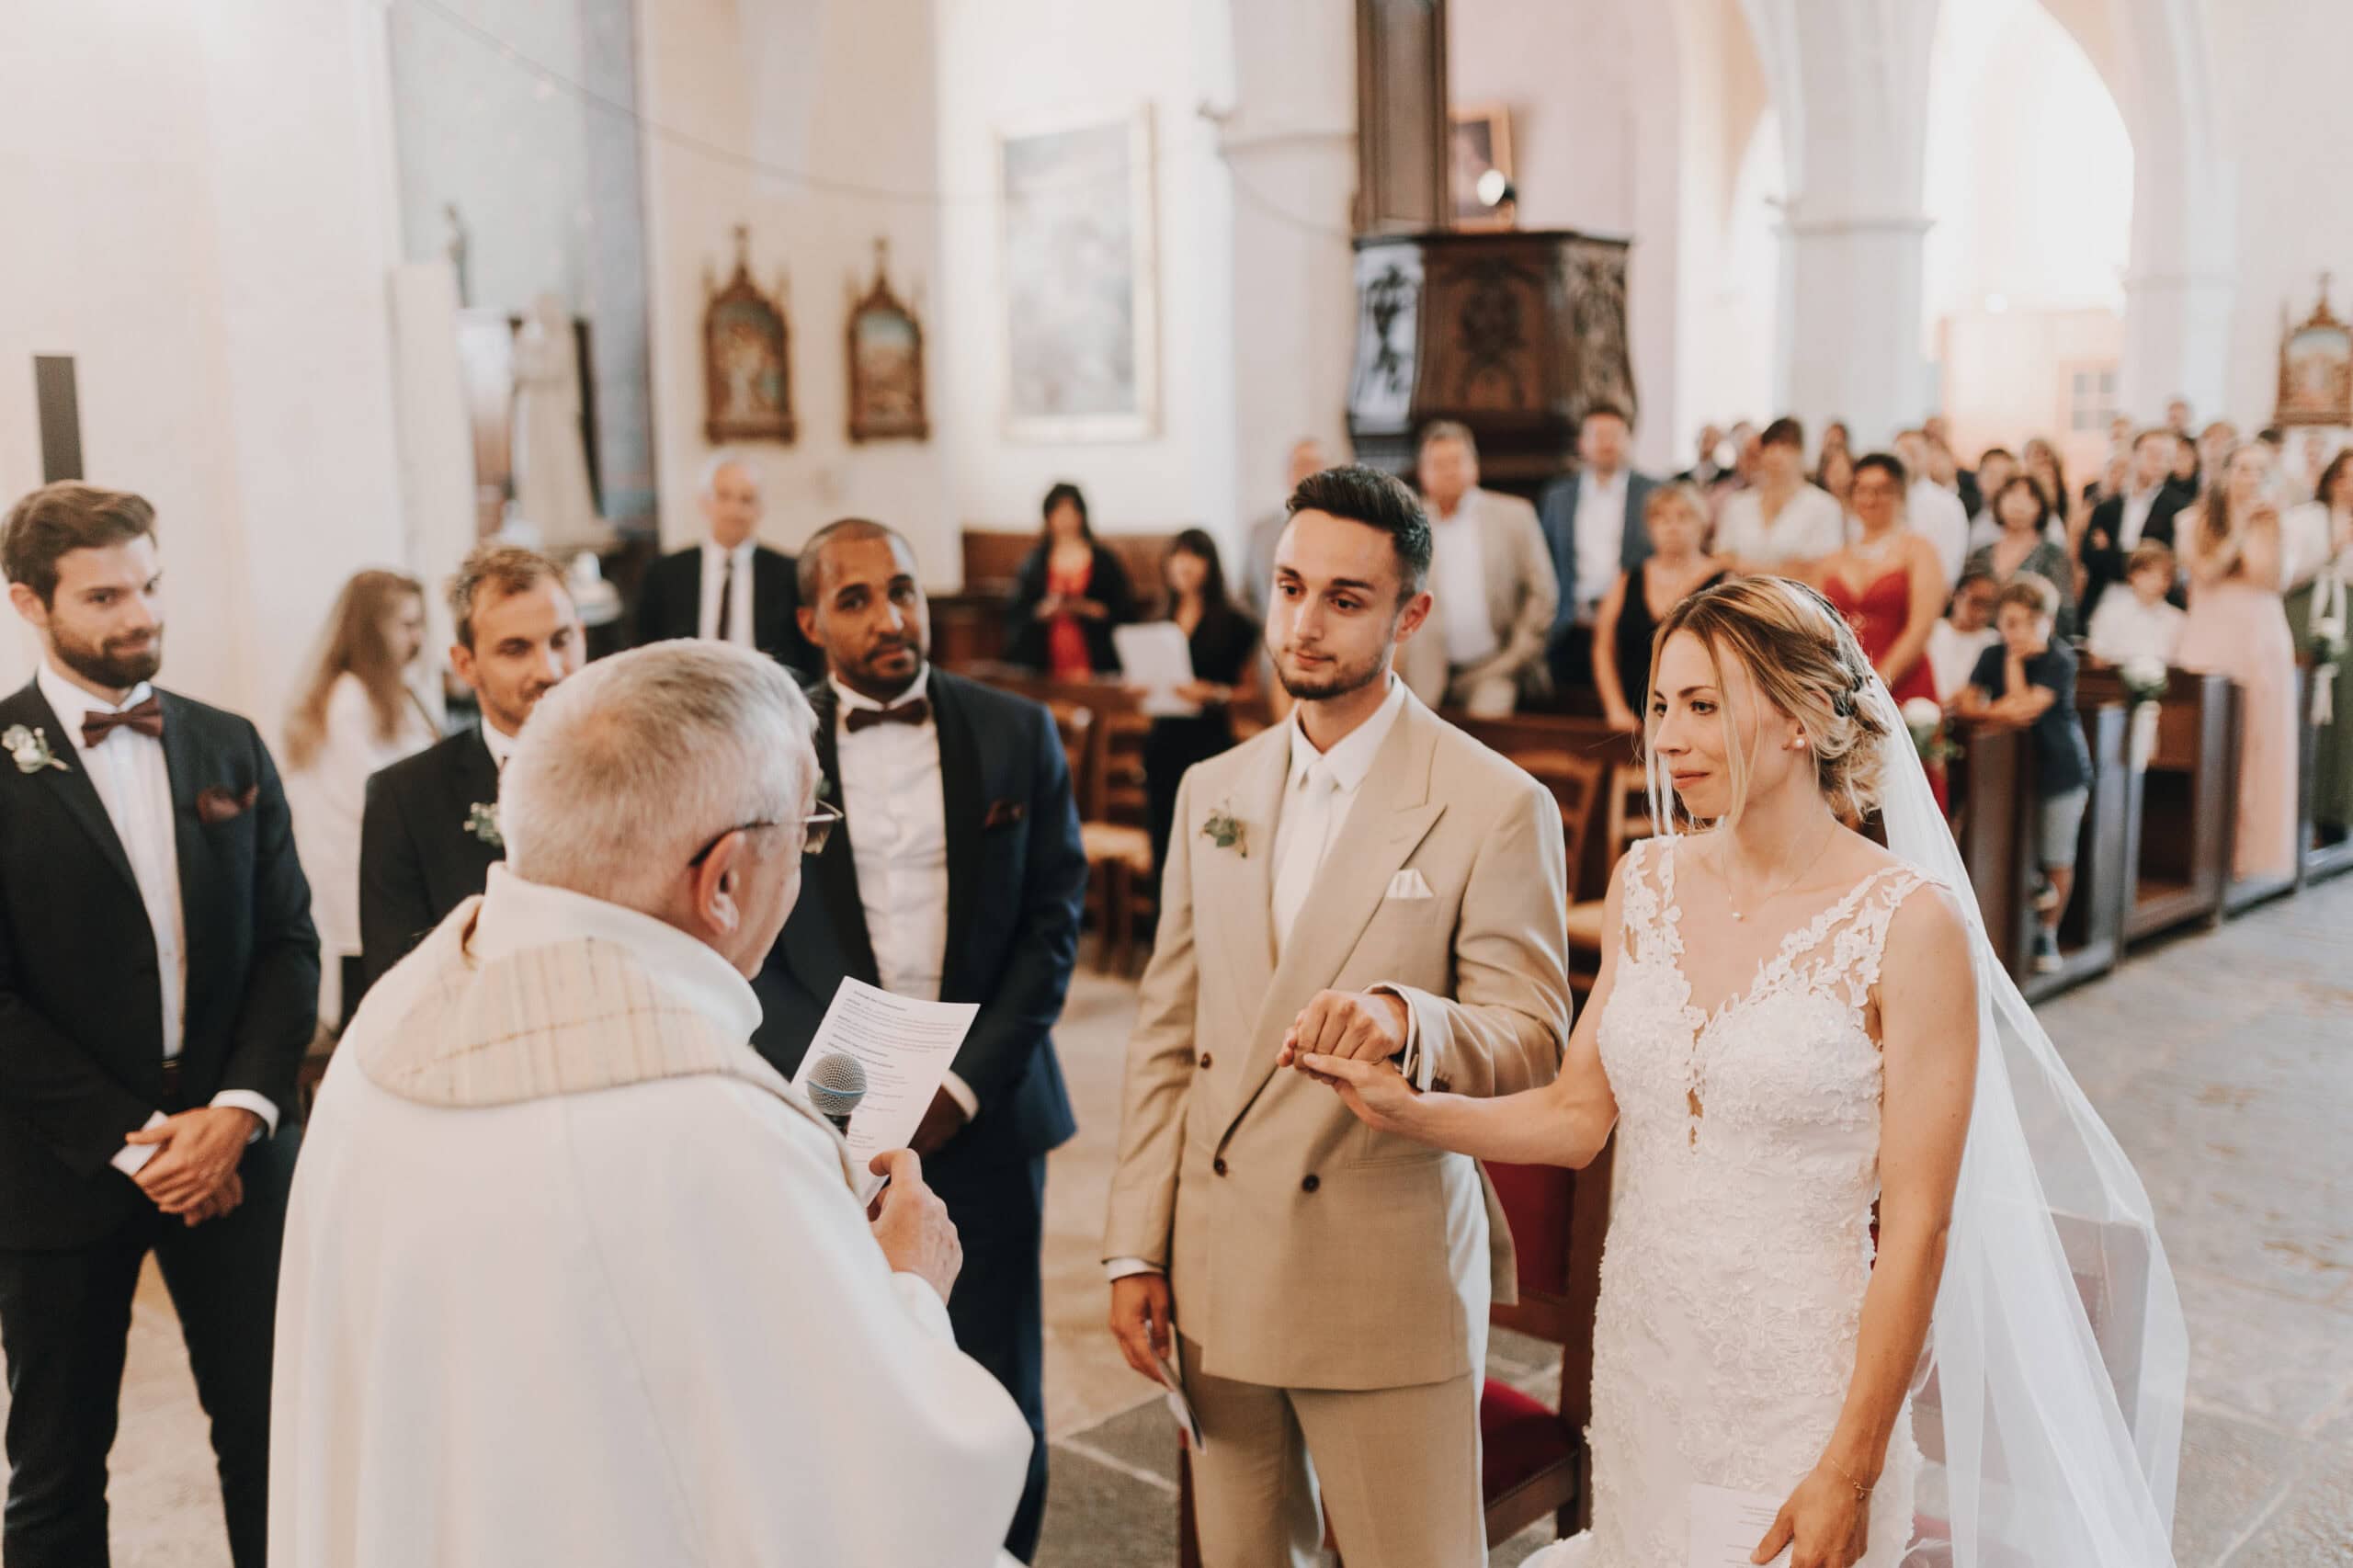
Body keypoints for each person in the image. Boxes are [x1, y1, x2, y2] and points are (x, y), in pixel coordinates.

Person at [1294, 575, 2184, 1568]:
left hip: (1798, 1397)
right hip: (1646, 1365)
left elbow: (1919, 1230)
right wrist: (1408, 1110)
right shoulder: (1645, 882)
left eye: (1703, 706)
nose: (1667, 739)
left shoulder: (1908, 924)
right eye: (1660, 706)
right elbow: (1577, 1116)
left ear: (1801, 717)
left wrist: (1849, 1468)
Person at [271, 642, 1033, 1568]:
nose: (802, 867)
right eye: (806, 835)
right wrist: (906, 1287)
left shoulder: (387, 1024)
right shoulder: (712, 1132)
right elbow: (886, 1498)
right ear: (723, 882)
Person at [1104, 464, 1571, 1567]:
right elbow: (1168, 1034)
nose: (1304, 624)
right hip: (1217, 1262)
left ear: (1409, 614)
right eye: (1289, 587)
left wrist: (1410, 1017)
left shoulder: (1494, 802)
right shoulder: (1211, 790)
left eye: (1345, 599)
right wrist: (1133, 1246)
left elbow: (1532, 1035)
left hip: (1380, 1273)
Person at [753, 520, 1086, 1562]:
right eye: (855, 599)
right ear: (811, 621)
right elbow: (749, 935)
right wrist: (847, 1093)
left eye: (902, 590)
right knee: (841, 1370)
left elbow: (1050, 923)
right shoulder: (768, 745)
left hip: (986, 1114)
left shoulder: (1015, 731)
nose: (890, 616)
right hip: (825, 1120)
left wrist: (962, 1088)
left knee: (997, 1374)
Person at [0, 483, 319, 1568]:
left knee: (275, 1442)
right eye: (105, 596)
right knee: (56, 1465)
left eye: (148, 585)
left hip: (236, 1147)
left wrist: (237, 1111)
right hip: (60, 1163)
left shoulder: (228, 743)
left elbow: (289, 943)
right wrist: (140, 1142)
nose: (140, 614)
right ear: (29, 603)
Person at [356, 545, 583, 1000]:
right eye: (515, 650)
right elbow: (398, 983)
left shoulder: (643, 769)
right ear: (466, 664)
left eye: (560, 640)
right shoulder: (405, 799)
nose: (549, 670)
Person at [282, 571, 438, 1030]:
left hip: (379, 867)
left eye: (419, 624)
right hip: (357, 872)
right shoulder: (349, 698)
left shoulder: (391, 693)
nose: (417, 638)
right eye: (406, 625)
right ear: (373, 631)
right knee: (371, 1002)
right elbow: (369, 794)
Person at [1957, 574, 2094, 974]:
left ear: (2046, 621)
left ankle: (2047, 933)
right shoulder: (1990, 654)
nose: (2014, 632)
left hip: (2059, 770)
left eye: (2026, 623)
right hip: (2006, 773)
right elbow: (1966, 705)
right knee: (2012, 847)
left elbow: (2023, 710)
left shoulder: (2059, 660)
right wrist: (1992, 711)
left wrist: (2014, 667)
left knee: (2056, 855)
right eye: (2009, 622)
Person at [2177, 443, 2299, 881]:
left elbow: (2273, 581)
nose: (2250, 478)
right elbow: (2206, 572)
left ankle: (2251, 854)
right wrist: (2240, 525)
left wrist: (2273, 527)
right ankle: (2204, 851)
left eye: (2260, 471)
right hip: (2212, 632)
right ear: (2226, 473)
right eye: (2243, 468)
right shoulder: (2192, 520)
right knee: (2208, 740)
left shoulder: (2278, 522)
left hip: (2261, 636)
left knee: (2259, 743)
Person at [1397, 421, 1558, 715]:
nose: (1448, 471)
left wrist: (1516, 656)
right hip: (1427, 669)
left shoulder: (1514, 515)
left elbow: (1543, 593)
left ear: (1474, 466)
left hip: (1496, 666)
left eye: (1456, 461)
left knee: (1486, 733)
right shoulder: (1407, 524)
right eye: (1438, 464)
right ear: (1423, 472)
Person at [1140, 530, 1263, 886]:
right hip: (1163, 742)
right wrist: (1143, 687)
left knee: (1213, 843)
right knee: (1164, 841)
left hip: (1209, 744)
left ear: (1210, 565)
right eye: (1177, 555)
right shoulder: (1158, 619)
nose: (1184, 565)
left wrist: (1213, 693)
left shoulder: (1236, 622)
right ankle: (1164, 916)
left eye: (1194, 556)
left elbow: (1252, 693)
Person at [633, 449, 821, 678]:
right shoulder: (664, 573)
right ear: (704, 502)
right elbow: (644, 654)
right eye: (723, 496)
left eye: (746, 499)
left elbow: (809, 659)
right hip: (687, 689)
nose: (734, 510)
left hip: (764, 690)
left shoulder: (789, 573)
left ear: (760, 509)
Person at [1811, 454, 1948, 707]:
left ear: (1900, 494)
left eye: (1881, 490)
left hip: (1904, 684)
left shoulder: (1919, 551)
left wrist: (1874, 687)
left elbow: (1920, 629)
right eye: (1861, 490)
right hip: (1843, 689)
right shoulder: (1831, 561)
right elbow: (1818, 631)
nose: (1870, 499)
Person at [1538, 403, 1656, 691]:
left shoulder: (1653, 492)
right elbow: (1545, 560)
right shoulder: (1558, 496)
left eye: (1614, 434)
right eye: (1598, 435)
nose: (1607, 443)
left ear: (1628, 439)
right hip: (1572, 625)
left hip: (1632, 631)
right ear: (1582, 442)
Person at [1591, 483, 1727, 733]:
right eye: (1661, 518)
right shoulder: (1627, 580)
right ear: (1649, 527)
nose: (1672, 526)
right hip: (1632, 716)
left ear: (1702, 523)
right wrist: (1615, 708)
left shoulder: (1724, 581)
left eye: (1683, 516)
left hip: (1699, 717)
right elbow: (1603, 647)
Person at [2284, 450, 2353, 843]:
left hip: (2348, 617)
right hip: (2306, 611)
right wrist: (2333, 549)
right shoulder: (2304, 518)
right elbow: (2287, 573)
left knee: (2344, 717)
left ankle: (2338, 811)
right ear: (2332, 479)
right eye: (2346, 476)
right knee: (2305, 706)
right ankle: (2299, 811)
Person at [1006, 482, 1137, 678]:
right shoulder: (1034, 563)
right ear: (1048, 517)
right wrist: (1043, 611)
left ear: (1082, 515)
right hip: (1045, 660)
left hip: (1096, 657)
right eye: (1058, 512)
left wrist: (1087, 608)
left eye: (1071, 512)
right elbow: (1018, 613)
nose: (1065, 520)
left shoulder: (1104, 561)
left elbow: (1124, 611)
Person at [2082, 428, 2191, 620]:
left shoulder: (2180, 509)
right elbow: (2090, 557)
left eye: (2166, 455)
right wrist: (2139, 561)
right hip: (2105, 597)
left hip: (2155, 606)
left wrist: (2112, 553)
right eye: (2151, 453)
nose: (2158, 461)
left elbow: (2167, 563)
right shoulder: (2107, 507)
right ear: (2134, 455)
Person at [1715, 417, 1847, 574]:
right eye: (1770, 447)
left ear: (1801, 453)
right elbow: (1722, 557)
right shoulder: (1738, 503)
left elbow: (1820, 568)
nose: (1776, 455)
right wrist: (1783, 569)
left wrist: (1745, 567)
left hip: (1795, 590)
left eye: (1786, 447)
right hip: (1740, 588)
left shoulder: (1825, 506)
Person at [1966, 475, 2078, 638]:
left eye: (2029, 496)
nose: (2018, 503)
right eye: (2011, 494)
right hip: (1980, 641)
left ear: (2040, 506)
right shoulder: (1982, 553)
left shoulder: (2052, 555)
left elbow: (2065, 614)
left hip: (2029, 643)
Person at [1242, 438, 1330, 620]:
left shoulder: (1343, 532)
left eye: (1314, 465)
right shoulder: (1261, 531)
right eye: (1301, 464)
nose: (1308, 473)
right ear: (1287, 472)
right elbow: (1247, 595)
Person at [2086, 542, 2188, 667]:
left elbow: (2181, 665)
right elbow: (2097, 656)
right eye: (2148, 573)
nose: (2156, 580)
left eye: (2163, 575)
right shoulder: (2109, 612)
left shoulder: (2178, 620)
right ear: (2132, 575)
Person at [1894, 429, 1971, 589]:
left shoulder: (1948, 503)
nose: (1905, 460)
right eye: (1900, 454)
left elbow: (1952, 559)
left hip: (1931, 587)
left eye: (1913, 453)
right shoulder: (1888, 500)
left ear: (1928, 457)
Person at [1926, 567, 2000, 705]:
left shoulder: (1994, 641)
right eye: (1976, 601)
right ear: (1957, 595)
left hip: (1971, 713)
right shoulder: (1932, 631)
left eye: (1988, 605)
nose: (1981, 611)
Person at [1963, 447, 2018, 553]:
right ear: (1978, 478)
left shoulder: (2021, 523)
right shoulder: (1970, 514)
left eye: (2006, 477)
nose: (1998, 482)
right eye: (1992, 474)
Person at [1677, 422, 1726, 488]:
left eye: (1713, 441)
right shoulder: (1682, 478)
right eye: (1706, 440)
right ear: (1697, 441)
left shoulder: (1727, 478)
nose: (1708, 446)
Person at [1814, 444, 1857, 511]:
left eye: (1843, 471)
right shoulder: (1817, 505)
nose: (1840, 479)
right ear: (1823, 475)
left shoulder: (1861, 506)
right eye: (1834, 473)